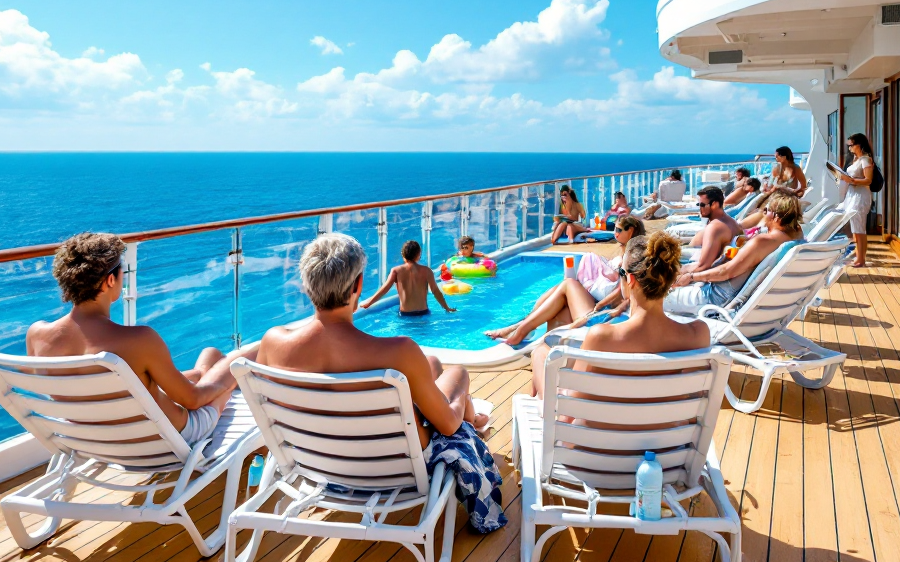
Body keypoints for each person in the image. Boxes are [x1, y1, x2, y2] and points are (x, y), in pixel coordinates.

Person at [256, 233, 506, 534]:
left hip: (319, 463)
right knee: (458, 375)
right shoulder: (398, 352)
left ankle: (468, 409)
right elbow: (449, 427)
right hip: (398, 465)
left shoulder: (273, 344)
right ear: (358, 285)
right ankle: (473, 414)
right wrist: (459, 401)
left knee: (432, 367)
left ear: (306, 285)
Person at [25, 233, 259, 446]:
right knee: (235, 361)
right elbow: (193, 401)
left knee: (209, 355)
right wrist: (223, 384)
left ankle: (201, 372)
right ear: (109, 281)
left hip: (92, 439)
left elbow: (97, 392)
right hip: (163, 438)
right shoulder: (138, 340)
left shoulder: (37, 335)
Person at [530, 231, 711, 399]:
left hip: (600, 431)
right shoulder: (698, 334)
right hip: (671, 430)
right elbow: (696, 396)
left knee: (540, 353)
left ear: (630, 280)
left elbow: (566, 412)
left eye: (620, 272)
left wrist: (538, 357)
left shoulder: (601, 337)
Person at [484, 215, 646, 345]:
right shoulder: (627, 254)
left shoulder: (631, 259)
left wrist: (599, 308)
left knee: (568, 284)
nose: (615, 233)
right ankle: (523, 328)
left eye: (618, 229)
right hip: (600, 305)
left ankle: (521, 330)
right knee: (559, 295)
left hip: (602, 312)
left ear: (630, 231)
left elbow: (625, 296)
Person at [664, 191, 804, 316]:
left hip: (714, 298)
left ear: (776, 217)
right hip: (731, 294)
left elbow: (726, 272)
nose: (764, 214)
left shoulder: (762, 242)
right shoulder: (795, 237)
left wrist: (692, 277)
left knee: (650, 295)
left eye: (766, 210)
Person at [360, 240, 457, 315]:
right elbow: (436, 291)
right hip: (423, 312)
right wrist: (446, 308)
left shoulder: (396, 271)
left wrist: (369, 303)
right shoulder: (427, 271)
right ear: (419, 255)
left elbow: (384, 289)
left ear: (403, 255)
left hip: (405, 314)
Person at [837, 132, 875, 268]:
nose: (849, 148)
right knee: (855, 228)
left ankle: (861, 259)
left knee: (859, 228)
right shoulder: (856, 160)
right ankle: (858, 256)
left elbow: (868, 180)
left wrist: (850, 180)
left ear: (859, 145)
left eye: (851, 145)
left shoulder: (865, 160)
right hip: (852, 195)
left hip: (860, 196)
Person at [679, 186, 743, 267]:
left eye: (702, 205)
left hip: (699, 265)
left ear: (714, 205)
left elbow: (703, 265)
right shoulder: (730, 222)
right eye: (699, 204)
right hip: (696, 254)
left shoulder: (715, 227)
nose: (700, 208)